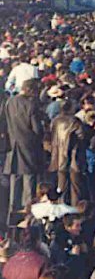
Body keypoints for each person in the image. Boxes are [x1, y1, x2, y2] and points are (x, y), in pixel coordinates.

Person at [4, 78, 46, 226]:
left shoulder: (9, 102)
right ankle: (27, 217)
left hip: (13, 146)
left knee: (15, 182)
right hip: (29, 147)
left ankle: (12, 216)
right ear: (32, 91)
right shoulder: (31, 105)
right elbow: (37, 130)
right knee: (29, 183)